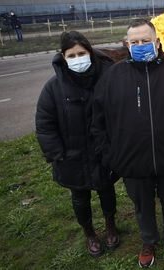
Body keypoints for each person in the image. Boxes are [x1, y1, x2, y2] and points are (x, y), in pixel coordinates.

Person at [92, 19, 164, 267]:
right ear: (127, 44)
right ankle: (148, 240)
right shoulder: (113, 77)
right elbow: (98, 121)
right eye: (135, 42)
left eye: (145, 40)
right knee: (142, 205)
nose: (141, 45)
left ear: (157, 41)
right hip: (132, 161)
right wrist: (111, 156)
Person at [35, 31, 118, 257]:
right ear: (63, 57)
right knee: (80, 198)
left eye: (82, 53)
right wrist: (57, 153)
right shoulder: (53, 87)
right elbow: (44, 123)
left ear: (90, 53)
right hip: (72, 157)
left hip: (102, 153)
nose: (78, 58)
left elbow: (118, 113)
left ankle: (111, 225)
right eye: (72, 55)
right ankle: (90, 233)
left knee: (106, 191)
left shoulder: (106, 78)